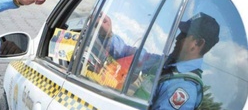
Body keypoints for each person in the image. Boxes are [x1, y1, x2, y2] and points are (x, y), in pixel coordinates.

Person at [91, 12, 219, 109]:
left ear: (197, 43)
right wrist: (106, 34)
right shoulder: (165, 64)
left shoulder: (183, 87)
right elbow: (129, 54)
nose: (177, 38)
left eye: (184, 35)